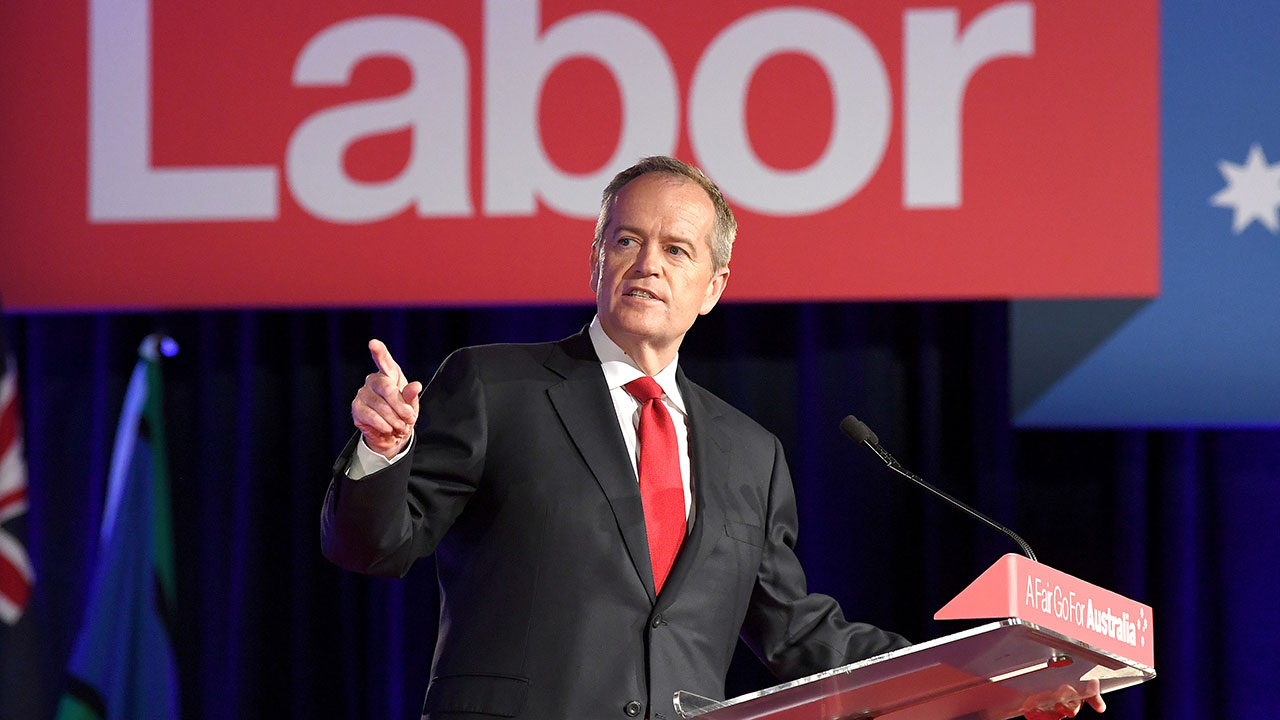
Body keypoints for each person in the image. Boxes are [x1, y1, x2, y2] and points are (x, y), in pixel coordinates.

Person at [320, 157, 1101, 720]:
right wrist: (382, 451)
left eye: (676, 249)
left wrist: (997, 682)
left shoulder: (749, 454)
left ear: (713, 287)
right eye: (625, 241)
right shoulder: (496, 386)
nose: (647, 265)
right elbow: (371, 548)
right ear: (595, 259)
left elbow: (801, 638)